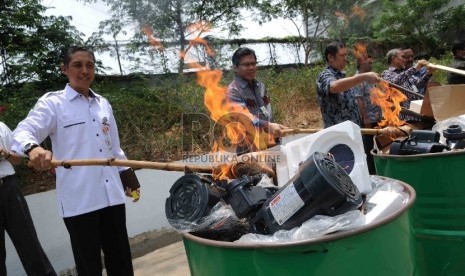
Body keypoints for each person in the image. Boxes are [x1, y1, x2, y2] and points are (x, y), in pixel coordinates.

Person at [11, 46, 137, 276]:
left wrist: (128, 175)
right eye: (77, 65)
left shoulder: (103, 104)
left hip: (112, 197)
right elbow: (22, 132)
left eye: (89, 65)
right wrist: (33, 148)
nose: (84, 71)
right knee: (89, 266)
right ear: (64, 69)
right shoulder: (53, 104)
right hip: (80, 202)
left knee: (121, 262)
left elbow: (115, 147)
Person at [0, 121, 57, 276]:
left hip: (8, 188)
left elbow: (18, 160)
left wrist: (5, 154)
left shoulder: (1, 127)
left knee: (28, 241)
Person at [226, 47, 287, 154]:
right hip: (250, 148)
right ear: (235, 68)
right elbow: (244, 119)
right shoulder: (233, 91)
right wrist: (267, 125)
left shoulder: (260, 86)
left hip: (270, 143)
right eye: (246, 65)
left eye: (253, 63)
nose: (251, 67)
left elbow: (267, 111)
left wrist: (273, 128)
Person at [316, 41, 379, 128]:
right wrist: (363, 77)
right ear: (330, 57)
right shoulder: (324, 75)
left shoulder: (342, 76)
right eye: (342, 55)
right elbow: (334, 87)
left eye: (346, 55)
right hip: (339, 134)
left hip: (353, 131)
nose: (346, 58)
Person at [381, 48, 432, 123]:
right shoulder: (387, 74)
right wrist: (415, 67)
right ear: (394, 59)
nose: (405, 60)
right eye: (403, 57)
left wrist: (428, 73)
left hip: (417, 116)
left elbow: (417, 86)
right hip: (404, 119)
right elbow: (394, 83)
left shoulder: (406, 73)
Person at [354, 55, 382, 174]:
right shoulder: (358, 79)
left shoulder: (370, 77)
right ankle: (372, 172)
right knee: (369, 145)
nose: (371, 64)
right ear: (361, 63)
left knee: (380, 143)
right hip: (368, 119)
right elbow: (359, 99)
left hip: (376, 116)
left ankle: (379, 167)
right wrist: (365, 118)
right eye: (368, 62)